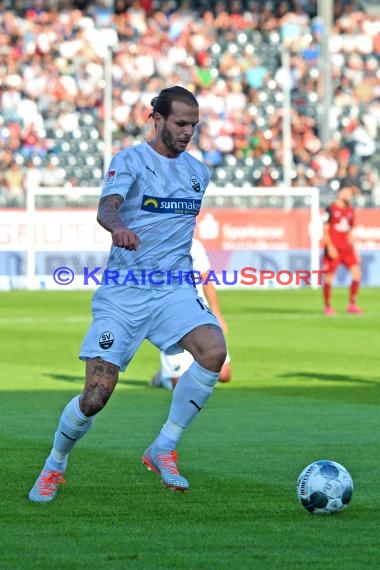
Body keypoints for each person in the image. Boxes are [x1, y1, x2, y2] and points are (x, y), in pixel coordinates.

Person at [28, 86, 227, 502]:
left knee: (213, 350)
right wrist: (118, 226)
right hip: (125, 293)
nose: (188, 131)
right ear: (156, 119)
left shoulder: (198, 173)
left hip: (172, 288)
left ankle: (163, 447)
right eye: (180, 123)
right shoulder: (130, 160)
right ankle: (54, 466)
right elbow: (107, 207)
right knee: (96, 396)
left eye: (194, 124)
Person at [151, 238, 232, 390]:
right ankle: (164, 376)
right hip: (170, 319)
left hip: (200, 312)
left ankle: (182, 367)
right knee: (180, 386)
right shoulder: (153, 245)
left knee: (225, 375)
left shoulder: (194, 244)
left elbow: (206, 278)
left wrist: (217, 313)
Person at [322, 180, 363, 316]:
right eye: (347, 192)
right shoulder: (330, 209)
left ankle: (352, 304)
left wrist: (355, 249)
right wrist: (329, 246)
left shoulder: (350, 210)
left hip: (347, 249)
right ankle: (327, 306)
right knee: (329, 277)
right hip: (334, 248)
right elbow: (325, 230)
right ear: (340, 193)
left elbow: (350, 231)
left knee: (357, 273)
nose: (350, 195)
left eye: (351, 193)